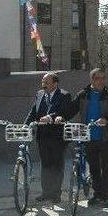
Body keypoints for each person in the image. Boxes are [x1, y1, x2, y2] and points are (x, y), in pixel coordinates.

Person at [65, 68, 108, 209]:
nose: (101, 81)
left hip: (106, 137)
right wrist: (59, 116)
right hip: (88, 137)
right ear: (92, 80)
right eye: (98, 78)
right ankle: (97, 195)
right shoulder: (83, 94)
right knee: (94, 168)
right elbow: (71, 109)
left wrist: (107, 119)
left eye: (103, 78)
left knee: (107, 168)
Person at [24, 73, 72, 204]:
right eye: (42, 81)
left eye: (46, 81)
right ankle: (46, 192)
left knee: (56, 165)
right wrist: (26, 125)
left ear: (55, 84)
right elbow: (33, 111)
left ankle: (56, 193)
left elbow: (65, 111)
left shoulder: (64, 95)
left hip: (57, 136)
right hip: (43, 136)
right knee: (45, 164)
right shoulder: (40, 94)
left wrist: (50, 117)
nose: (43, 84)